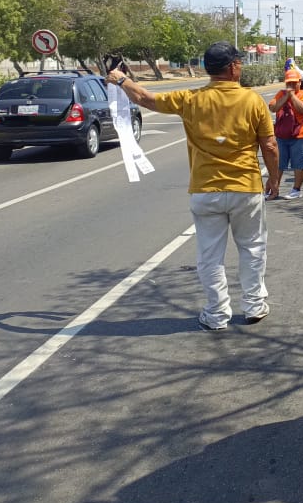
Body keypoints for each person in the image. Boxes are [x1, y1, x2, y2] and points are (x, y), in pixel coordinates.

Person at [108, 42, 279, 330]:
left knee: (210, 257)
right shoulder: (252, 100)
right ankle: (254, 306)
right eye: (240, 63)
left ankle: (216, 314)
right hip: (245, 187)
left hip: (205, 190)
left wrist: (122, 79)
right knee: (252, 249)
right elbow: (270, 145)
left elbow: (146, 99)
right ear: (233, 67)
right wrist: (274, 178)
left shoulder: (191, 98)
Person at [268, 68, 303, 199]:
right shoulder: (281, 94)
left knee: (299, 163)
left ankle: (296, 189)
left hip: (301, 134)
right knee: (279, 164)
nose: (292, 86)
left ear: (300, 82)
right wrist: (286, 96)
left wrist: (292, 96)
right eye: (289, 83)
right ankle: (274, 189)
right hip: (283, 134)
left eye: (295, 83)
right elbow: (273, 107)